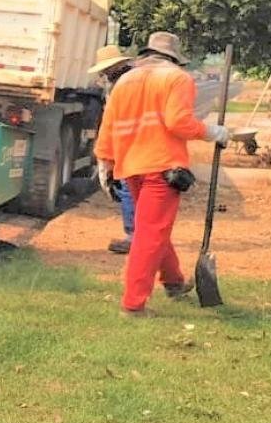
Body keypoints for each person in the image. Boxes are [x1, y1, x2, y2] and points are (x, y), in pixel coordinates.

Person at [94, 32, 231, 317]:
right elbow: (178, 122)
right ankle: (133, 305)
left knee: (152, 227)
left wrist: (105, 162)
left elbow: (108, 126)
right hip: (162, 167)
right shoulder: (177, 78)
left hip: (130, 166)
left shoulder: (124, 81)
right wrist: (212, 132)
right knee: (150, 233)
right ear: (174, 57)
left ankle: (173, 282)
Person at [86, 45, 136, 254]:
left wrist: (105, 153)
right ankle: (140, 235)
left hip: (127, 143)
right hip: (135, 142)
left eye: (106, 69)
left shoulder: (122, 85)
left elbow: (112, 120)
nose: (104, 73)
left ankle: (132, 235)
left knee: (127, 189)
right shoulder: (132, 79)